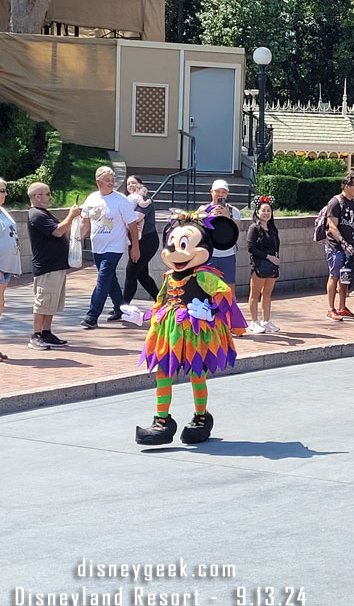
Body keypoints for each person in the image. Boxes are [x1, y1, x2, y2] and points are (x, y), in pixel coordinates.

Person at [131, 212, 246, 446]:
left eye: (184, 245)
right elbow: (162, 301)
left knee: (197, 375)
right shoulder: (169, 276)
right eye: (172, 245)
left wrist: (211, 311)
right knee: (164, 372)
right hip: (169, 332)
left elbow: (224, 293)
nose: (176, 252)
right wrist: (143, 316)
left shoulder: (204, 275)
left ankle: (201, 418)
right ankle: (162, 422)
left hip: (196, 332)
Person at [79, 166, 141, 329]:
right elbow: (85, 223)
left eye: (112, 180)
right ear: (98, 182)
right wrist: (75, 240)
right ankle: (120, 308)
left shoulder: (121, 200)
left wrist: (135, 246)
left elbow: (133, 224)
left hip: (114, 247)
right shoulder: (91, 199)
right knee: (110, 279)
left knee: (103, 279)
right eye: (107, 181)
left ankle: (92, 316)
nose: (111, 183)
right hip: (97, 246)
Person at [26, 183, 81, 351]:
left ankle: (46, 332)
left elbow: (60, 230)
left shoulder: (43, 214)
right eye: (47, 194)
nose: (50, 197)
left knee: (52, 303)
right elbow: (57, 231)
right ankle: (36, 336)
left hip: (56, 266)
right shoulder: (36, 215)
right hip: (46, 267)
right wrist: (70, 217)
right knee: (43, 302)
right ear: (37, 196)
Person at [325, 174, 354, 321]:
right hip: (335, 245)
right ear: (346, 186)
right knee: (334, 275)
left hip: (350, 244)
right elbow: (332, 226)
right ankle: (330, 309)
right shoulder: (335, 202)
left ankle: (342, 307)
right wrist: (342, 242)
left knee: (345, 276)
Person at [246, 196, 281, 334]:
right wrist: (268, 257)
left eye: (269, 210)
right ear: (257, 212)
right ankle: (254, 321)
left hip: (272, 265)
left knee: (267, 293)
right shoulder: (254, 228)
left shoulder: (272, 229)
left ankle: (266, 320)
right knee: (255, 294)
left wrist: (275, 259)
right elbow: (250, 248)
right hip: (259, 265)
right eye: (263, 210)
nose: (266, 213)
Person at [124, 175, 160, 303]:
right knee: (141, 274)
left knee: (131, 271)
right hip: (135, 240)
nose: (131, 186)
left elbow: (136, 218)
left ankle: (122, 307)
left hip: (147, 240)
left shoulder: (145, 200)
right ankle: (161, 301)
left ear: (140, 185)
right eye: (128, 184)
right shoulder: (128, 200)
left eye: (133, 183)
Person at [198, 180, 241, 283]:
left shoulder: (233, 211)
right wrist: (210, 216)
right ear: (211, 192)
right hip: (208, 254)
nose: (220, 194)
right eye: (217, 191)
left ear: (227, 194)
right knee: (207, 288)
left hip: (227, 254)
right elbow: (197, 229)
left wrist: (228, 216)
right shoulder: (203, 210)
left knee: (229, 288)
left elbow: (238, 228)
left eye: (223, 192)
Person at [0, 178, 21, 359]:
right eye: (1, 190)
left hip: (6, 265)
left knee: (0, 303)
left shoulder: (3, 211)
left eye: (4, 190)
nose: (4, 194)